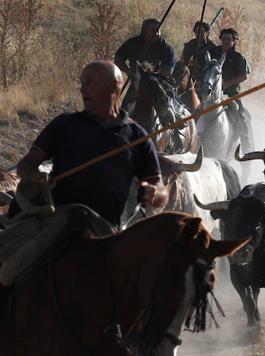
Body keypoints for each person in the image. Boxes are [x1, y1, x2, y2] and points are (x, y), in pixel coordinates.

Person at [16, 61, 168, 227]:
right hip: (56, 224)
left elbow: (160, 189)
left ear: (115, 85)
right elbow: (26, 164)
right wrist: (35, 178)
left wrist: (154, 193)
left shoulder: (137, 137)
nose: (82, 90)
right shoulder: (64, 124)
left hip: (104, 232)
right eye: (82, 84)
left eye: (89, 83)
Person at [114, 18, 177, 131]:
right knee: (126, 107)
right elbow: (118, 58)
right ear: (144, 30)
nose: (156, 32)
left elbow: (168, 71)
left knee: (163, 103)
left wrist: (151, 72)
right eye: (153, 30)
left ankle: (170, 124)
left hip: (158, 82)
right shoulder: (132, 43)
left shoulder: (166, 48)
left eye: (158, 30)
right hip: (137, 81)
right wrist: (128, 71)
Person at [210, 28, 254, 177]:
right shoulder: (212, 52)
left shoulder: (238, 57)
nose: (226, 41)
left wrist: (226, 84)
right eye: (224, 38)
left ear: (234, 41)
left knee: (241, 116)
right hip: (210, 92)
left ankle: (246, 149)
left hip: (230, 94)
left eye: (229, 39)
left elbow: (244, 76)